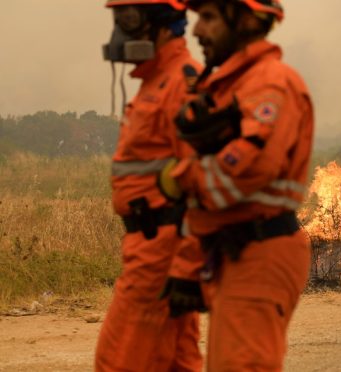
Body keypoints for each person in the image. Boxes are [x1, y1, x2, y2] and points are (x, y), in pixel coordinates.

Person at [157, 0, 314, 369]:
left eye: (209, 18)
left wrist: (180, 177)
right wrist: (186, 267)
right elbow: (210, 206)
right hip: (233, 252)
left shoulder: (270, 82)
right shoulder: (232, 86)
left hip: (260, 255)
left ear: (245, 20)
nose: (196, 31)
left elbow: (248, 171)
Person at [96, 1, 204, 370]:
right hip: (152, 244)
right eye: (118, 19)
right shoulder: (155, 81)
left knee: (119, 360)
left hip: (161, 250)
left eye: (129, 19)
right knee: (177, 360)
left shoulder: (182, 82)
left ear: (163, 23)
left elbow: (202, 182)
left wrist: (187, 264)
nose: (121, 31)